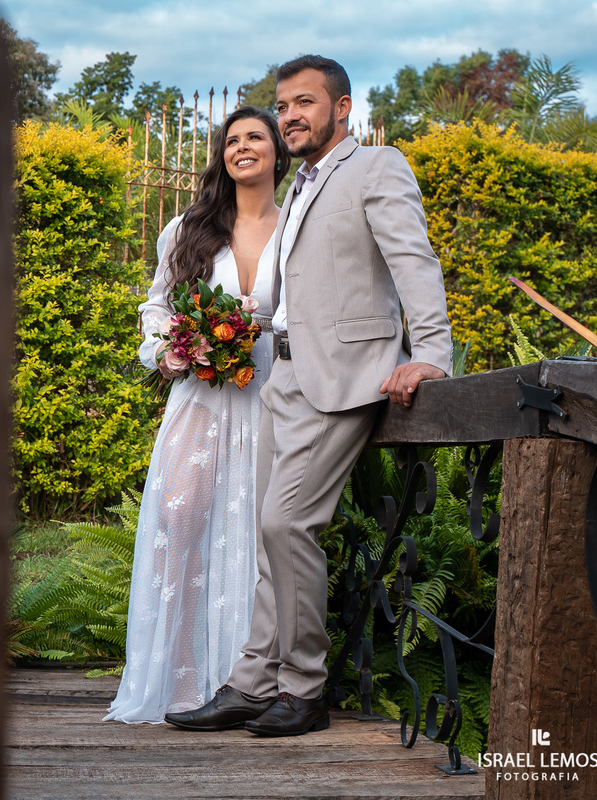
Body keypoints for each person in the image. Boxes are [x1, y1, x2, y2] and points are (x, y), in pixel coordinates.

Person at [164, 55, 452, 736]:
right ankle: (254, 681)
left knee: (287, 525)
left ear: (342, 108)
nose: (290, 115)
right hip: (283, 378)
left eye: (305, 103)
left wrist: (431, 353)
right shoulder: (300, 187)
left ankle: (303, 687)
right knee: (271, 537)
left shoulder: (377, 168)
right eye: (282, 104)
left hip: (345, 377)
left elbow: (414, 259)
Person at [105, 106, 291, 723]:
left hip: (268, 392)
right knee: (181, 517)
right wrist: (172, 349)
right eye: (232, 139)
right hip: (200, 398)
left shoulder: (297, 228)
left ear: (276, 152)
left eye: (255, 137)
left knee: (262, 532)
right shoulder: (187, 230)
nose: (243, 147)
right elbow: (156, 308)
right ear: (222, 155)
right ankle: (180, 680)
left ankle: (249, 682)